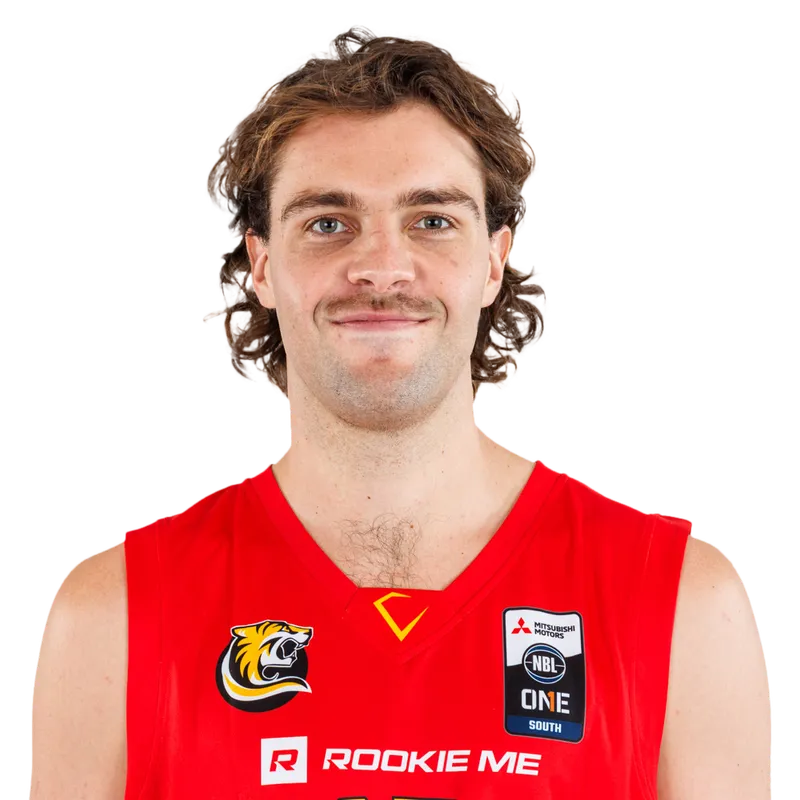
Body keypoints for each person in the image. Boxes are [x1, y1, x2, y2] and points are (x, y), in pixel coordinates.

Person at [29, 25, 771, 799]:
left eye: (432, 220)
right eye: (327, 222)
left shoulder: (682, 604)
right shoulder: (113, 616)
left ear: (494, 261)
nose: (382, 267)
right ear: (262, 267)